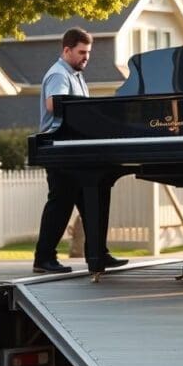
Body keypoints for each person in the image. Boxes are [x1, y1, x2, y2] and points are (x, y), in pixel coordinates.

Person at [33, 27, 127, 274]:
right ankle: (43, 259)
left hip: (75, 150)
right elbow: (54, 104)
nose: (86, 57)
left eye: (88, 52)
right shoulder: (58, 74)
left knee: (91, 201)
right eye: (81, 52)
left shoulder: (76, 76)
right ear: (67, 50)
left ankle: (98, 254)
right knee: (60, 204)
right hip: (60, 150)